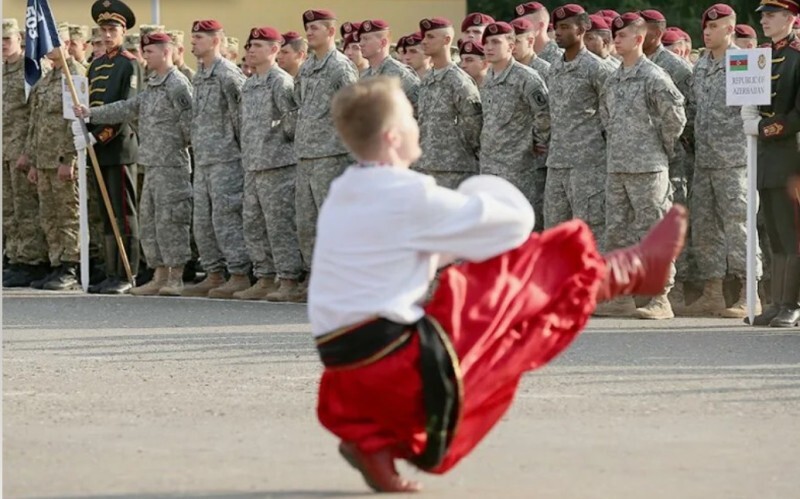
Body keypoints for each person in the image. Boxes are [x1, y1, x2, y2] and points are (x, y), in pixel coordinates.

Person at [311, 76, 688, 493]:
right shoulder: (406, 193)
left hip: (346, 365)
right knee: (515, 288)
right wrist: (479, 187)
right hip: (392, 363)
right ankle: (627, 271)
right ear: (394, 136)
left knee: (486, 286)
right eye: (412, 118)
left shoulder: (345, 190)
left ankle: (375, 447)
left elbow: (418, 253)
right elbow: (514, 222)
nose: (418, 124)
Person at [76, 32, 193, 297]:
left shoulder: (177, 84)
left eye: (149, 51)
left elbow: (190, 126)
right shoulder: (153, 84)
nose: (144, 56)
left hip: (171, 165)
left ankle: (175, 276)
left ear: (166, 52)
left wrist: (173, 147)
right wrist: (91, 112)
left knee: (171, 221)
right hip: (151, 163)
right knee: (151, 222)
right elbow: (127, 107)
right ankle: (159, 273)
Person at [597, 12, 686, 320]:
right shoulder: (614, 77)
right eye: (614, 36)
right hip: (618, 166)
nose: (615, 41)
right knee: (617, 232)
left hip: (648, 167)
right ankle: (620, 296)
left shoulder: (654, 76)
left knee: (654, 232)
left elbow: (675, 118)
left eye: (621, 36)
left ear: (638, 39)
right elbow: (606, 117)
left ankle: (660, 297)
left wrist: (659, 148)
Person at [685, 4, 760, 318]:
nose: (707, 32)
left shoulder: (742, 62)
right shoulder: (701, 64)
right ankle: (713, 292)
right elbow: (692, 106)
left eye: (714, 28)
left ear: (730, 30)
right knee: (705, 228)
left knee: (739, 226)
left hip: (734, 160)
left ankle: (750, 293)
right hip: (705, 159)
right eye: (705, 27)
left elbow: (756, 108)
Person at [74, 0, 143, 294]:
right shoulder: (97, 64)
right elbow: (91, 105)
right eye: (103, 29)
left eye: (112, 28)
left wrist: (98, 135)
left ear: (123, 30)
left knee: (124, 214)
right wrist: (82, 130)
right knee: (105, 211)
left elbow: (126, 109)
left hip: (119, 147)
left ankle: (128, 273)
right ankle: (111, 270)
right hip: (98, 150)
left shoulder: (130, 64)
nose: (107, 34)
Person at [181, 20, 251, 299]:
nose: (193, 42)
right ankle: (213, 273)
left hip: (226, 159)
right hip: (204, 158)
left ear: (215, 41)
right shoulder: (200, 74)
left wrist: (238, 152)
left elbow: (240, 118)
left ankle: (239, 274)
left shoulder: (228, 74)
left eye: (198, 37)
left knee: (226, 218)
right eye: (193, 36)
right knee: (203, 220)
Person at [294, 9, 360, 299]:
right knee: (307, 223)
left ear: (331, 32)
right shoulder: (308, 66)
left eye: (315, 28)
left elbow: (354, 110)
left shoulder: (340, 67)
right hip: (307, 155)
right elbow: (299, 103)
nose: (309, 33)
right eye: (307, 28)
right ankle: (316, 277)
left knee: (333, 222)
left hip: (331, 156)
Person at [742, 0, 800, 327]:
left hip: (791, 154)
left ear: (791, 18)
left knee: (792, 233)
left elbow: (798, 114)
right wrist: (746, 110)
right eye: (763, 14)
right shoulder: (761, 57)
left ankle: (793, 303)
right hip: (766, 157)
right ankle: (778, 302)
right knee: (775, 233)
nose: (764, 19)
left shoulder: (797, 57)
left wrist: (764, 128)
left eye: (772, 14)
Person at [237, 27, 304, 302]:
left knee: (279, 225)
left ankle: (288, 279)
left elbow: (292, 123)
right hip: (253, 165)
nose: (250, 50)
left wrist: (279, 148)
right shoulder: (250, 83)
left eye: (258, 45)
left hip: (277, 166)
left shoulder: (281, 82)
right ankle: (264, 277)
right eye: (250, 45)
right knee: (253, 223)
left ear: (275, 50)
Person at [19, 26, 84, 291]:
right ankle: (56, 262)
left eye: (54, 43)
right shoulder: (46, 79)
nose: (48, 48)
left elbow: (75, 121)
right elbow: (35, 123)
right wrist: (33, 160)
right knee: (49, 215)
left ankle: (71, 265)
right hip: (43, 159)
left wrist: (68, 159)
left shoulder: (74, 75)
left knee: (67, 213)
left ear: (67, 44)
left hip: (61, 159)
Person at [545, 4, 614, 250]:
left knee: (590, 232)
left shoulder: (598, 69)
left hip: (589, 164)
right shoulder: (554, 69)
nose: (558, 33)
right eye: (556, 28)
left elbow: (612, 115)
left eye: (565, 27)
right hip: (558, 162)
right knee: (555, 231)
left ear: (583, 29)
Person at [480, 21, 549, 210]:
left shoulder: (527, 78)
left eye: (495, 42)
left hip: (518, 167)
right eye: (486, 43)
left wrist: (534, 141)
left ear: (511, 46)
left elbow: (544, 114)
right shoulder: (488, 79)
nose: (488, 47)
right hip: (489, 165)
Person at [2, 18, 49, 288]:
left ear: (20, 39)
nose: (3, 46)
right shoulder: (3, 71)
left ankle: (32, 261)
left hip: (22, 149)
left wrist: (29, 152)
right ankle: (16, 256)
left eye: (7, 39)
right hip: (3, 150)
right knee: (9, 210)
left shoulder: (29, 70)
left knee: (26, 208)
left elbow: (36, 114)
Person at [416, 17, 482, 189]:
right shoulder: (427, 78)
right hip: (426, 166)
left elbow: (474, 127)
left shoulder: (459, 81)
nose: (424, 41)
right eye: (424, 36)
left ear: (446, 40)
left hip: (454, 168)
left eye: (430, 37)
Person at [359, 20, 420, 110]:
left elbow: (421, 108)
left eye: (366, 39)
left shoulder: (400, 74)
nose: (361, 44)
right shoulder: (365, 76)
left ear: (383, 43)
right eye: (361, 39)